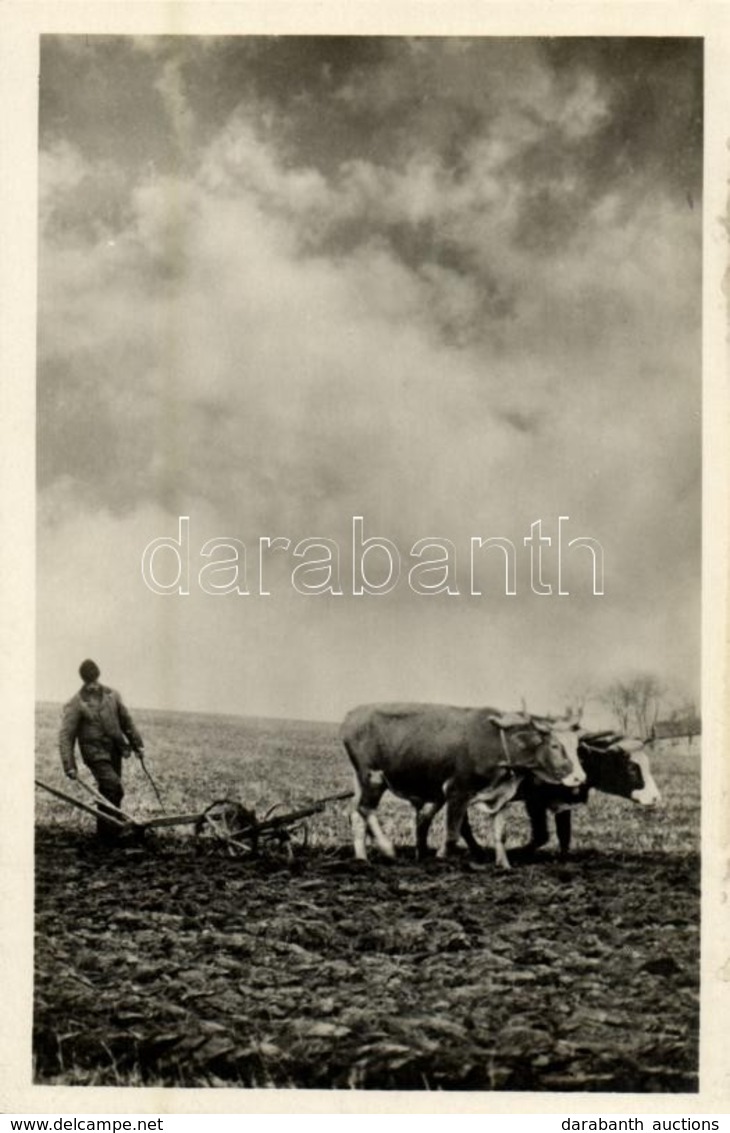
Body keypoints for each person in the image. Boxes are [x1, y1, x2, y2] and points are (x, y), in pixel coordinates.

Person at [58, 660, 144, 841]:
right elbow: (66, 736)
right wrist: (69, 765)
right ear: (84, 681)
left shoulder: (112, 696)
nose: (93, 686)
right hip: (94, 753)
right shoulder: (76, 703)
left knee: (112, 791)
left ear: (98, 676)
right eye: (89, 682)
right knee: (113, 785)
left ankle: (106, 834)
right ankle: (113, 830)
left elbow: (126, 722)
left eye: (95, 680)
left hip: (115, 750)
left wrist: (137, 745)